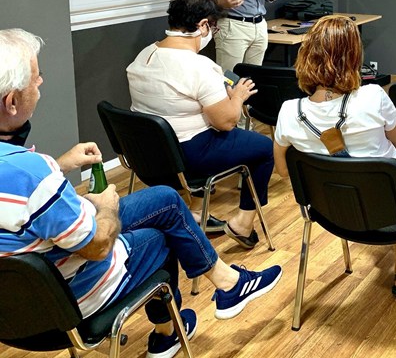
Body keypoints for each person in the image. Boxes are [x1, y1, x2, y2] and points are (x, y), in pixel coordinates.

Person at [0, 28, 282, 358]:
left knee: (165, 199)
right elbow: (96, 246)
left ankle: (227, 283)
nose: (41, 82)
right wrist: (106, 207)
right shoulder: (33, 173)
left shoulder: (28, 171)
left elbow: (19, 196)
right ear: (12, 102)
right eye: (35, 78)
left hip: (9, 308)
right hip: (59, 304)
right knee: (163, 237)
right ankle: (170, 332)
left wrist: (59, 166)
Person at [273, 15, 396, 298]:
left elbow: (283, 170)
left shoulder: (289, 111)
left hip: (331, 214)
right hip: (395, 213)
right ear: (354, 57)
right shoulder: (374, 96)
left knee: (389, 173)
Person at [127, 0, 274, 250]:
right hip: (188, 157)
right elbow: (226, 122)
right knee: (264, 148)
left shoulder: (144, 55)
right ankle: (243, 223)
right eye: (213, 28)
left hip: (147, 156)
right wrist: (238, 97)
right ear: (203, 25)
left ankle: (195, 212)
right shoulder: (199, 67)